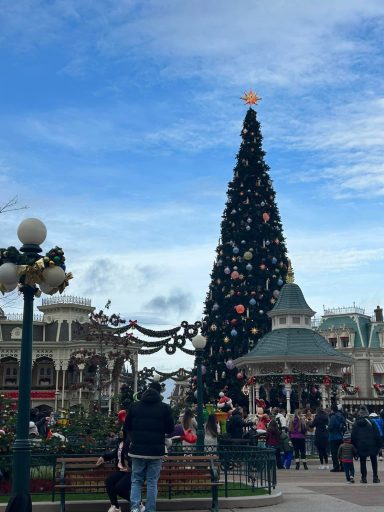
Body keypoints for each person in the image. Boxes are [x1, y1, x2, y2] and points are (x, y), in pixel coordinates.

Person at [125, 381, 174, 512]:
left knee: (136, 480)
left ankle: (135, 508)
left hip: (137, 450)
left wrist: (135, 437)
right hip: (155, 451)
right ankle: (150, 509)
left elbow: (127, 426)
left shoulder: (134, 407)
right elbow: (170, 429)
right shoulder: (164, 408)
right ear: (159, 393)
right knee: (152, 482)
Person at [96, 429, 144, 512]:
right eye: (120, 430)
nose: (120, 432)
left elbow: (136, 456)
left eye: (122, 430)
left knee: (119, 488)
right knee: (109, 481)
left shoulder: (130, 443)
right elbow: (115, 453)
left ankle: (138, 504)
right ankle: (115, 507)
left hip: (132, 471)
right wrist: (103, 457)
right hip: (122, 471)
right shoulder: (120, 443)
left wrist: (131, 467)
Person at [351, 405, 381, 484]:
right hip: (372, 445)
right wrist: (379, 445)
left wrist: (355, 446)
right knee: (373, 460)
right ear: (367, 414)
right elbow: (377, 434)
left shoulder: (356, 424)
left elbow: (353, 436)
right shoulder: (372, 423)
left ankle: (363, 478)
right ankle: (375, 477)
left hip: (361, 445)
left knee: (363, 461)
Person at [328, 403, 346, 472]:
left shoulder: (333, 417)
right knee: (341, 453)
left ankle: (336, 466)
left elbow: (330, 427)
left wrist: (328, 427)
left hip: (333, 437)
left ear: (332, 409)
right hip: (340, 436)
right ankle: (342, 466)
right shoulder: (341, 416)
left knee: (334, 453)